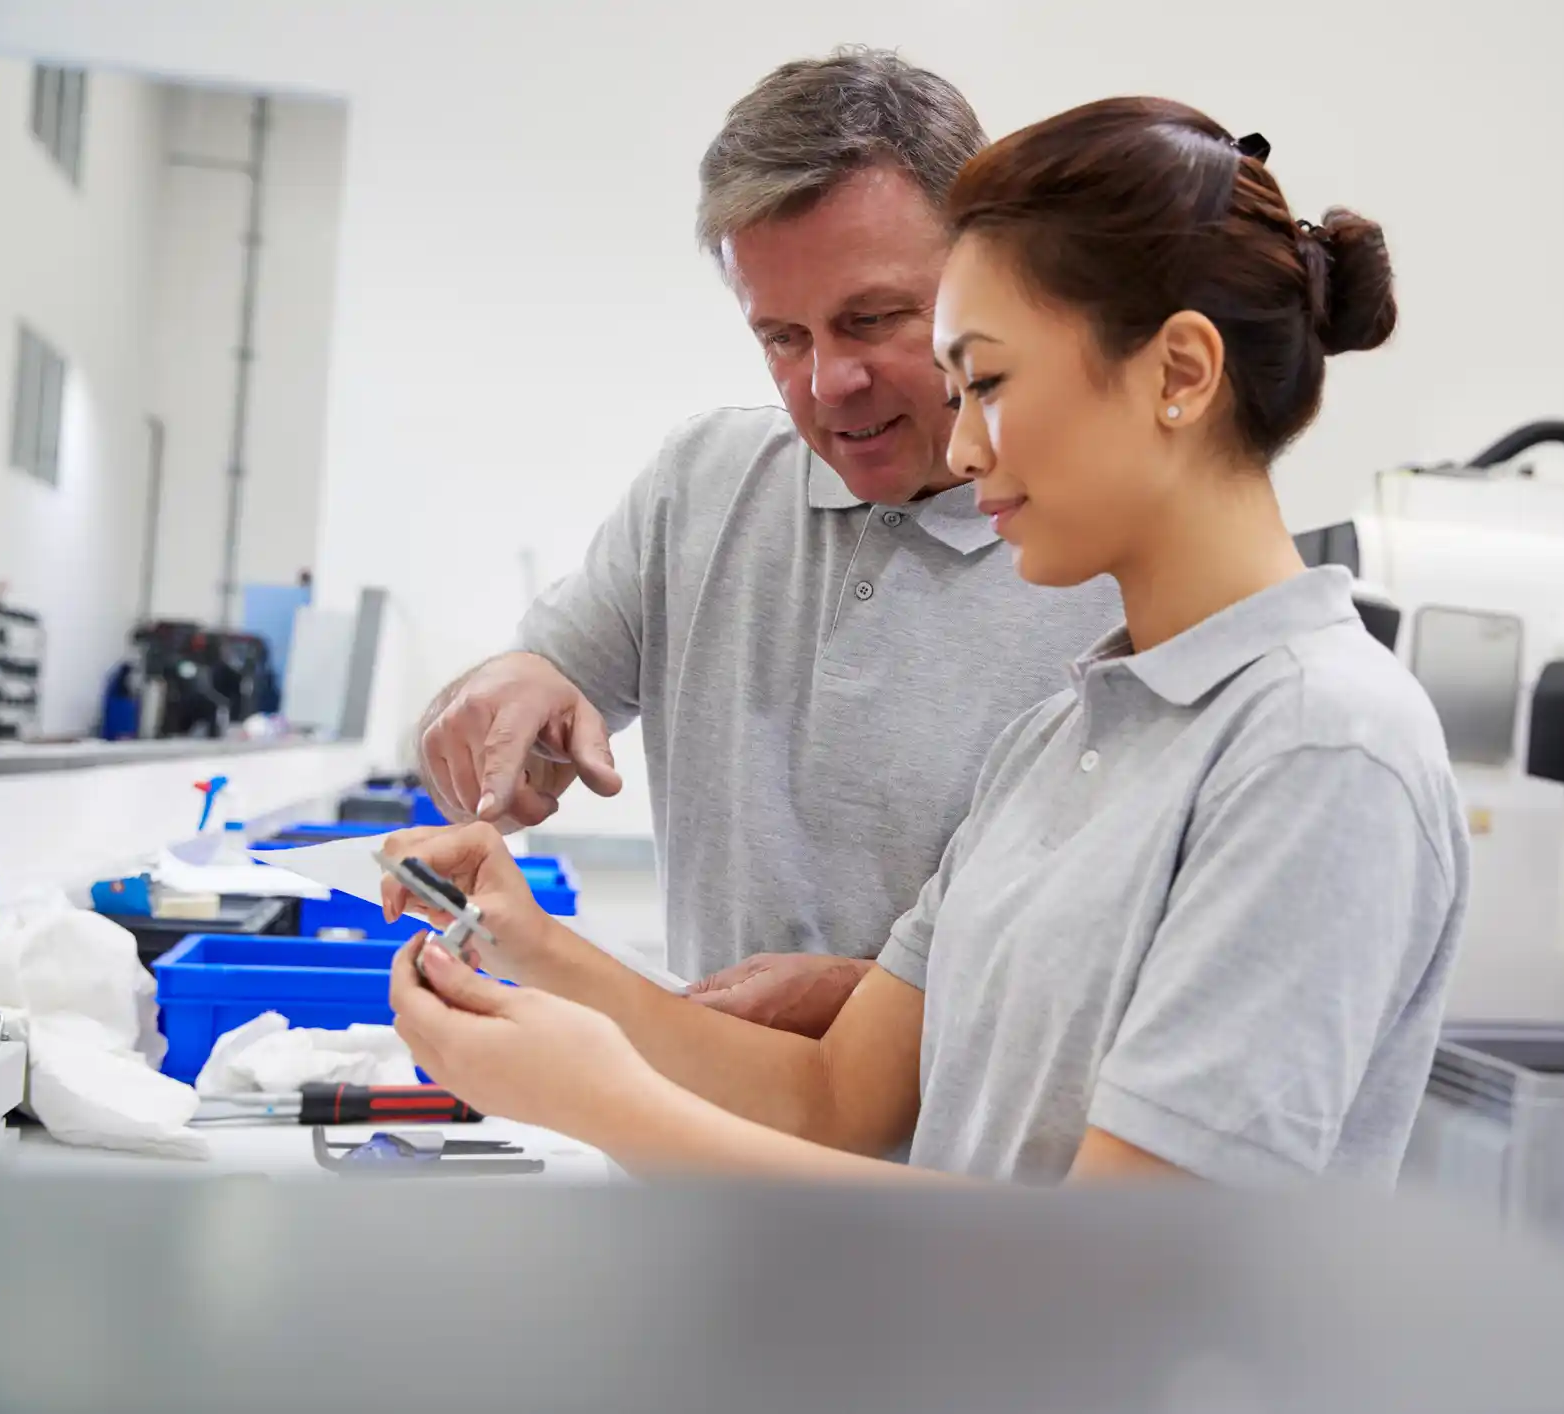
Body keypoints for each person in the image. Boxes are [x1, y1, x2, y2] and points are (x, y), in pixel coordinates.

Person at [386, 97, 1469, 1186]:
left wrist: (608, 1101)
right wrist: (530, 947)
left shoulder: (1324, 748)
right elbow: (831, 1099)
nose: (960, 441)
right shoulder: (1061, 736)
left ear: (1181, 374)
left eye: (988, 382)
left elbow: (1128, 1275)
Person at [413, 49, 1118, 1037]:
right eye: (781, 337)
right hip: (716, 1152)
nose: (828, 382)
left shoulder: (1107, 561)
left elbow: (1124, 963)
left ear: (991, 276)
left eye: (871, 321)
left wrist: (887, 1000)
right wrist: (503, 697)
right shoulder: (702, 483)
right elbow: (539, 677)